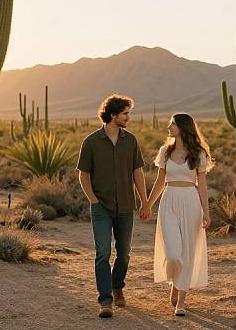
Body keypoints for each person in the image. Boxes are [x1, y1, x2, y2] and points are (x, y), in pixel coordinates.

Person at [77, 94, 149, 319]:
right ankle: (105, 300)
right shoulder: (91, 142)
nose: (129, 117)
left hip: (126, 206)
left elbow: (138, 173)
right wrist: (94, 201)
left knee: (124, 253)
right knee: (103, 253)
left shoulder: (131, 141)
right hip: (101, 207)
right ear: (113, 115)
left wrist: (144, 202)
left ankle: (117, 286)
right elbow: (83, 174)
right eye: (126, 113)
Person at [141, 113, 213, 316]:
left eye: (172, 124)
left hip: (190, 202)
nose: (168, 127)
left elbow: (203, 186)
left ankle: (180, 301)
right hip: (169, 201)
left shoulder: (198, 153)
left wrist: (206, 213)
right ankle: (174, 281)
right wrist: (147, 204)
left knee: (187, 251)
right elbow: (160, 182)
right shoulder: (165, 151)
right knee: (173, 253)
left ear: (183, 127)